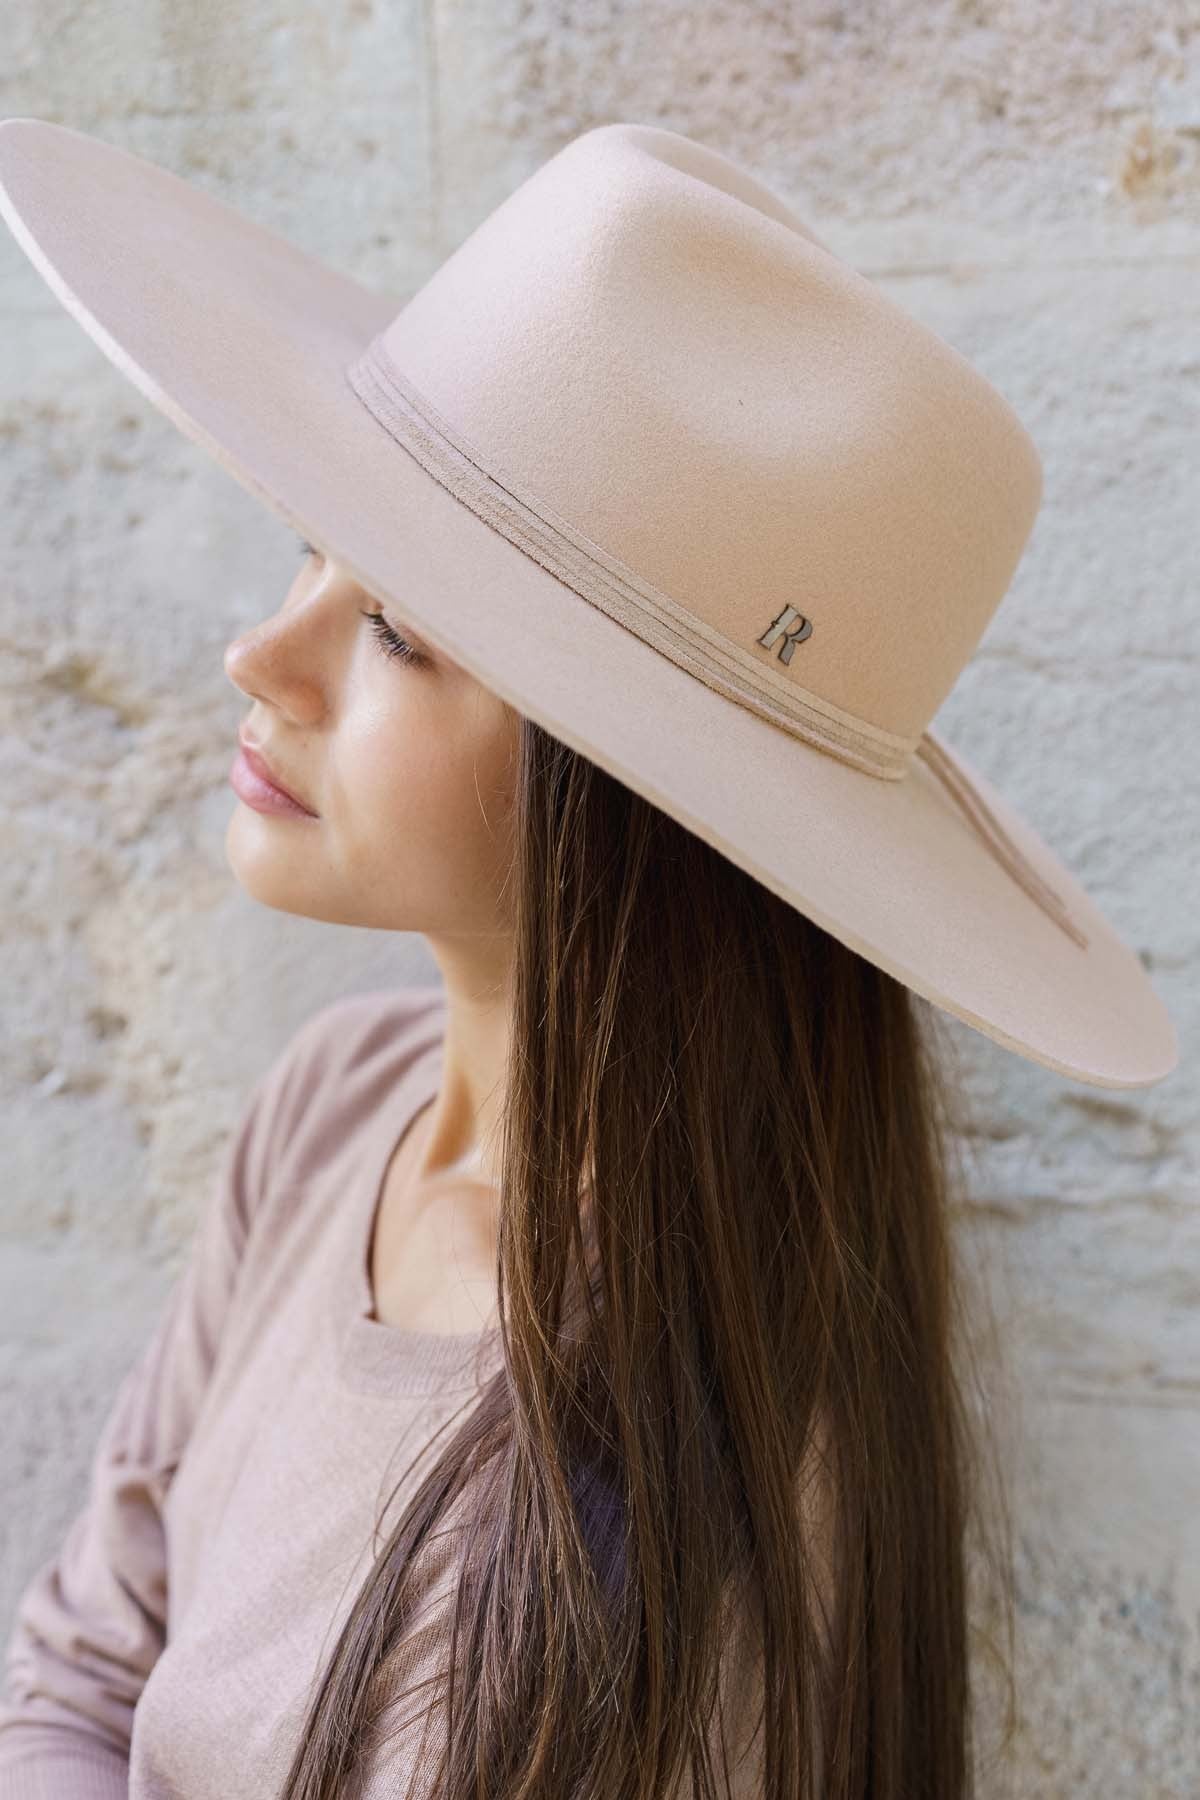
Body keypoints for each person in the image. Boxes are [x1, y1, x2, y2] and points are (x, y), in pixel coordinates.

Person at [0, 117, 1176, 1800]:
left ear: (628, 800)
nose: (265, 652)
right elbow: (80, 1664)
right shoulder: (335, 1105)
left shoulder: (702, 1488)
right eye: (315, 545)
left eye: (401, 626)